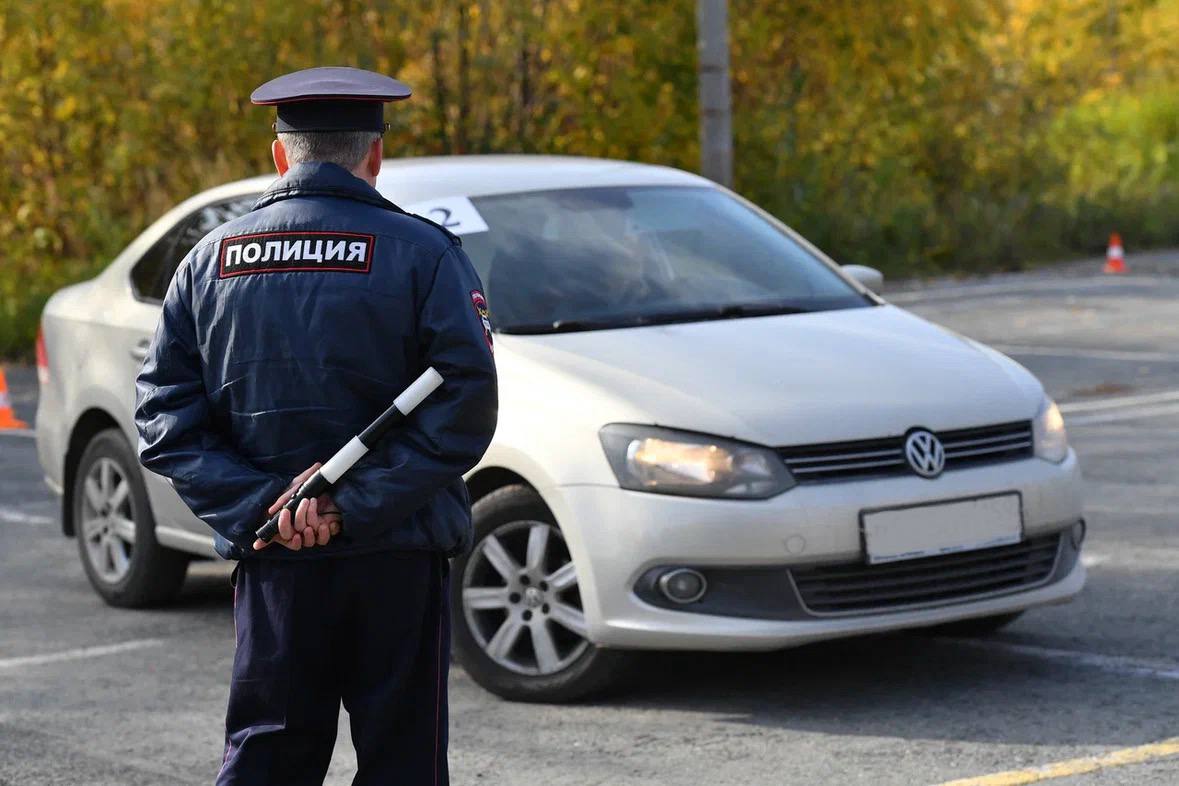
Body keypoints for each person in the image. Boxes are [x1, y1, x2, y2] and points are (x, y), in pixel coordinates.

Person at [134, 66, 498, 786]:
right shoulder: (424, 253)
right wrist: (348, 507)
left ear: (279, 156)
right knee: (403, 761)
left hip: (274, 561)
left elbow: (162, 416)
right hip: (395, 554)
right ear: (374, 156)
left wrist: (263, 508)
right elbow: (466, 404)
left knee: (268, 756)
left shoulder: (208, 261)